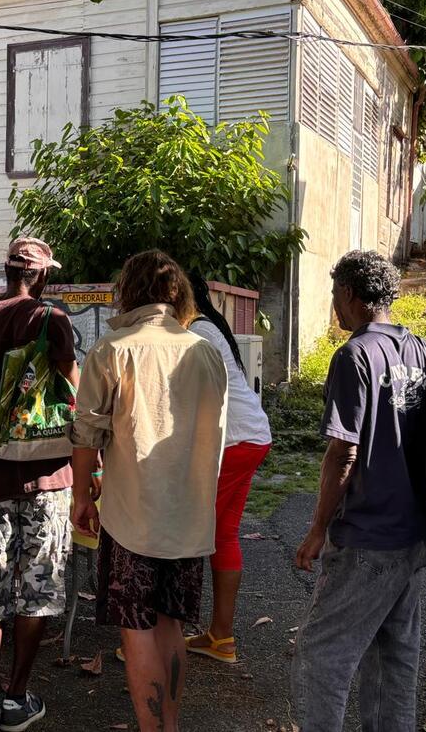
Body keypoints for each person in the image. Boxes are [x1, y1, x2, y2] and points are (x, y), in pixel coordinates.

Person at [70, 250, 227, 732]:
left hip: (132, 516)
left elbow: (85, 435)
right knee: (170, 622)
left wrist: (81, 496)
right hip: (188, 516)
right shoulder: (204, 350)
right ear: (178, 294)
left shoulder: (113, 349)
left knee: (135, 626)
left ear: (128, 291)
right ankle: (168, 726)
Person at [291, 251, 426, 732]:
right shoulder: (420, 349)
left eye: (335, 294)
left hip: (368, 536)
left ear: (350, 294)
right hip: (414, 533)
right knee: (393, 655)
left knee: (321, 655)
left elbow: (343, 452)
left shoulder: (355, 355)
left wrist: (318, 529)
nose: (334, 305)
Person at [0, 238, 79, 732]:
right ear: (42, 275)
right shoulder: (52, 319)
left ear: (7, 271)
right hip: (48, 478)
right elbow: (74, 395)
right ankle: (17, 696)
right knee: (39, 589)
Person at [183, 273, 272, 663]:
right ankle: (221, 638)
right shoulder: (209, 326)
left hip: (232, 442)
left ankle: (157, 640)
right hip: (250, 436)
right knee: (222, 534)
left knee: (184, 536)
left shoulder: (196, 333)